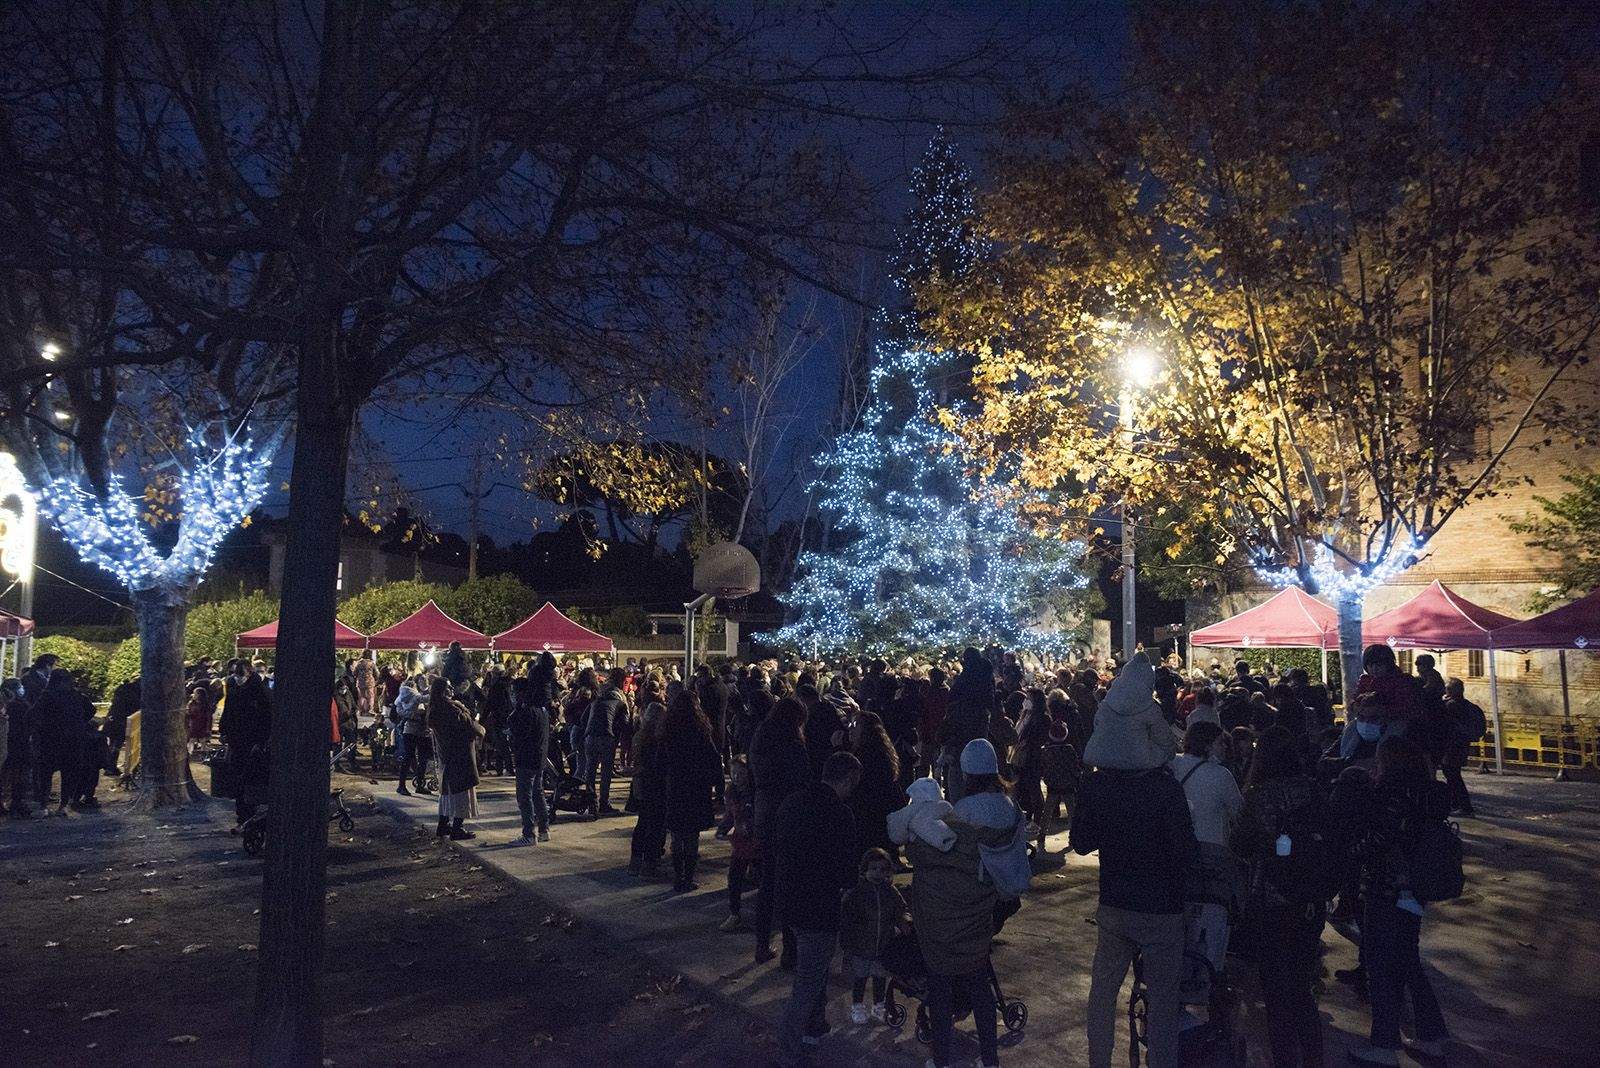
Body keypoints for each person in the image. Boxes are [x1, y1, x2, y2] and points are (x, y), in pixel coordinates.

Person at [1073, 734, 1200, 1068]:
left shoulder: (1099, 785)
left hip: (1115, 903)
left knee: (1103, 993)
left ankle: (1098, 1061)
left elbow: (1081, 842)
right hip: (1162, 907)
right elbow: (1186, 852)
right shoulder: (1166, 788)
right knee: (1163, 1000)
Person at [901, 741, 1022, 1068]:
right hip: (994, 902)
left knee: (940, 988)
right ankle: (990, 1058)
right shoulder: (1010, 806)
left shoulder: (963, 813)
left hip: (959, 907)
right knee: (979, 981)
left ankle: (942, 1058)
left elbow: (953, 858)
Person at [1348, 736, 1453, 1066]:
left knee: (1381, 966)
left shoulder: (1391, 792)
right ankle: (1431, 1035)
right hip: (1415, 885)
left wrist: (1352, 851)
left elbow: (1381, 838)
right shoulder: (1426, 791)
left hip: (1386, 886)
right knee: (1407, 959)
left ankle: (1383, 1044)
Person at [1232, 725, 1328, 1067]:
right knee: (1301, 986)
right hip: (1307, 898)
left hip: (1270, 896)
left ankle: (1286, 1058)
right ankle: (1313, 1057)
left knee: (1275, 988)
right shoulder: (1312, 791)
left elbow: (1240, 843)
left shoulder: (1259, 794)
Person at [773, 751, 861, 1066]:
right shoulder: (839, 814)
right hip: (818, 907)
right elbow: (847, 869)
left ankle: (813, 1026)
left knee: (813, 970)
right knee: (809, 978)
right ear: (849, 778)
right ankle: (789, 1045)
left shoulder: (793, 802)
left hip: (789, 899)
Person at [1169, 721, 1242, 1027]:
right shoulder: (1221, 776)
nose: (1225, 748)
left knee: (1179, 919)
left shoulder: (1173, 764)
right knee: (1213, 920)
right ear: (1210, 744)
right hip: (1212, 856)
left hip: (1175, 852)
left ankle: (1176, 981)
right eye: (1221, 743)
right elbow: (1239, 812)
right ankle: (1206, 978)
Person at [749, 694, 811, 966]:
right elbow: (803, 778)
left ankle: (762, 944)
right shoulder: (792, 745)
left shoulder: (761, 737)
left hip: (765, 812)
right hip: (788, 815)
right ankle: (790, 949)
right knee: (790, 885)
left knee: (768, 883)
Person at [661, 688, 722, 892]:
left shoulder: (669, 728)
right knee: (692, 834)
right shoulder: (700, 729)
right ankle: (688, 876)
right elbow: (713, 757)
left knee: (677, 834)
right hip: (697, 784)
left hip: (676, 783)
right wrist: (718, 784)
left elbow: (661, 758)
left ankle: (679, 876)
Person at [839, 847, 909, 1025]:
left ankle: (879, 1004)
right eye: (874, 869)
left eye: (883, 869)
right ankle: (857, 1005)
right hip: (861, 944)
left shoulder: (890, 891)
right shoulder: (857, 892)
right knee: (860, 977)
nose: (878, 873)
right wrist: (848, 939)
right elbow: (847, 915)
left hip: (883, 943)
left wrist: (904, 923)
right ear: (865, 869)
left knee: (880, 977)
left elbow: (900, 909)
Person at [1083, 651, 1178, 772]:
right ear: (1149, 680)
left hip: (1105, 762)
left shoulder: (1107, 702)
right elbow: (1165, 740)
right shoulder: (1149, 707)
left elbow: (1097, 726)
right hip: (1138, 766)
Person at [219, 658, 272, 825]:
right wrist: (224, 730)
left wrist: (261, 741)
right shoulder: (234, 689)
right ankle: (242, 813)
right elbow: (228, 710)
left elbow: (266, 718)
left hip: (252, 741)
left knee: (249, 778)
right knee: (238, 777)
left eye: (240, 674)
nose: (237, 678)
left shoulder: (259, 691)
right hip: (237, 739)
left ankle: (248, 813)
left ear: (248, 674)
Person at [430, 677, 484, 840]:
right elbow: (469, 727)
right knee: (463, 793)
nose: (452, 689)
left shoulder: (435, 709)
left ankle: (443, 824)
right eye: (448, 687)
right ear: (442, 690)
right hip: (460, 755)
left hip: (446, 755)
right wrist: (480, 729)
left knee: (447, 793)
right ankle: (457, 828)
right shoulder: (452, 710)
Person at [507, 660, 553, 844]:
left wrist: (512, 733)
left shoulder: (527, 711)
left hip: (526, 758)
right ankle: (544, 829)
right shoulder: (541, 710)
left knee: (525, 796)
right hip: (539, 757)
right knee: (538, 793)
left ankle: (528, 833)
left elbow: (521, 734)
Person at [847, 710, 901, 859]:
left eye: (855, 725)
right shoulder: (881, 752)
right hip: (877, 816)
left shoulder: (867, 755)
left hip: (868, 816)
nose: (850, 728)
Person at [942, 648, 994, 803]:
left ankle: (958, 805)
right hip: (980, 725)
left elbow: (952, 699)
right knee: (977, 764)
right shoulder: (986, 676)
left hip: (962, 725)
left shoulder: (966, 677)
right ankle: (977, 799)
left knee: (957, 766)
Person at [629, 701, 669, 876]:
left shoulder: (639, 735)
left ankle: (635, 861)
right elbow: (657, 763)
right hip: (653, 783)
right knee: (654, 824)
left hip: (640, 783)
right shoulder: (656, 739)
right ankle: (649, 863)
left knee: (643, 822)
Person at [718, 754, 758, 930]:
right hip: (741, 843)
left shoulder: (755, 794)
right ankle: (734, 913)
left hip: (756, 842)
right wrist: (722, 829)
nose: (736, 777)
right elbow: (730, 815)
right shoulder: (732, 792)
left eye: (740, 773)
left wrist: (750, 827)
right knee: (734, 878)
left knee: (763, 879)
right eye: (733, 773)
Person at [583, 667, 629, 816]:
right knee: (605, 772)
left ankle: (590, 802)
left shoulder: (598, 694)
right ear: (622, 681)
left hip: (590, 735)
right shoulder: (620, 698)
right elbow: (625, 722)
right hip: (606, 737)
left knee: (590, 771)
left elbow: (584, 717)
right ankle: (603, 803)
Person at [1440, 678, 1484, 816]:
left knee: (1453, 775)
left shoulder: (1452, 706)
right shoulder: (1467, 705)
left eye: (1448, 689)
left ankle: (1465, 807)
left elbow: (1446, 724)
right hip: (1462, 744)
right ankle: (1456, 804)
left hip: (1452, 745)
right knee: (1453, 774)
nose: (1446, 691)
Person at [393, 672, 432, 796]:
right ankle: (412, 784)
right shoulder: (414, 695)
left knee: (415, 758)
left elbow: (400, 711)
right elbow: (426, 700)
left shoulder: (403, 697)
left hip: (414, 729)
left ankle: (409, 785)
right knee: (416, 757)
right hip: (417, 729)